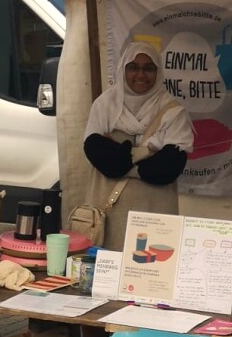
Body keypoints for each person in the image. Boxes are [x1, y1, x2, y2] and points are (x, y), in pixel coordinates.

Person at [82, 42, 195, 251]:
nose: (141, 74)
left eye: (148, 68)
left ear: (158, 72)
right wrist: (147, 154)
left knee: (151, 273)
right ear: (123, 69)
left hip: (154, 214)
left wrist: (121, 154)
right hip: (107, 214)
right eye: (133, 67)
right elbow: (99, 154)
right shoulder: (105, 105)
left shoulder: (173, 112)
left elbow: (168, 168)